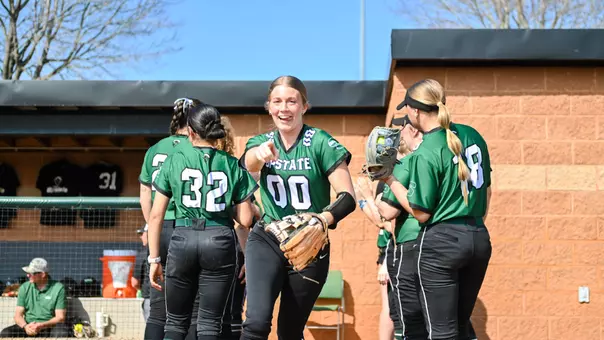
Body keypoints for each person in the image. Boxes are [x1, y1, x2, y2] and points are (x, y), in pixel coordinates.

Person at [239, 75, 357, 340]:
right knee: (256, 323)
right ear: (268, 106)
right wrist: (259, 155)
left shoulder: (320, 142)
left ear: (304, 106)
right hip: (268, 236)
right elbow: (248, 163)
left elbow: (347, 197)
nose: (284, 108)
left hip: (310, 243)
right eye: (277, 101)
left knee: (289, 332)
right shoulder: (260, 143)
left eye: (292, 101)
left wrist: (321, 220)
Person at [383, 79, 492, 340]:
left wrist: (389, 179)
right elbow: (487, 191)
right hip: (478, 235)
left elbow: (421, 213)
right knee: (461, 327)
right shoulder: (472, 134)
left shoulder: (426, 150)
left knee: (441, 332)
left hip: (441, 242)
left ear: (415, 111)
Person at [148, 102, 258, 340]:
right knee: (210, 323)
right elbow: (246, 219)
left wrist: (154, 258)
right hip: (219, 239)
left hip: (183, 238)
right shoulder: (231, 163)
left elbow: (156, 215)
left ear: (190, 131)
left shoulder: (174, 159)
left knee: (175, 323)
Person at [139, 97, 201, 340]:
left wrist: (152, 225)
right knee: (194, 309)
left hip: (160, 228)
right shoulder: (197, 147)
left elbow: (145, 193)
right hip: (190, 227)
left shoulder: (154, 149)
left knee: (158, 310)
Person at [0, 258, 70, 338]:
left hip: (49, 326)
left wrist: (42, 325)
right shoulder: (24, 287)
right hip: (29, 325)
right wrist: (25, 326)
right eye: (28, 272)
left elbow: (60, 318)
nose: (28, 275)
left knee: (61, 333)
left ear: (43, 274)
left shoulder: (58, 288)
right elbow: (17, 315)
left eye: (31, 273)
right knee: (6, 333)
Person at [132, 225, 151, 322]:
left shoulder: (142, 255)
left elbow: (134, 282)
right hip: (167, 297)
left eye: (142, 233)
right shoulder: (167, 250)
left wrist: (140, 289)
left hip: (149, 297)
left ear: (148, 234)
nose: (141, 237)